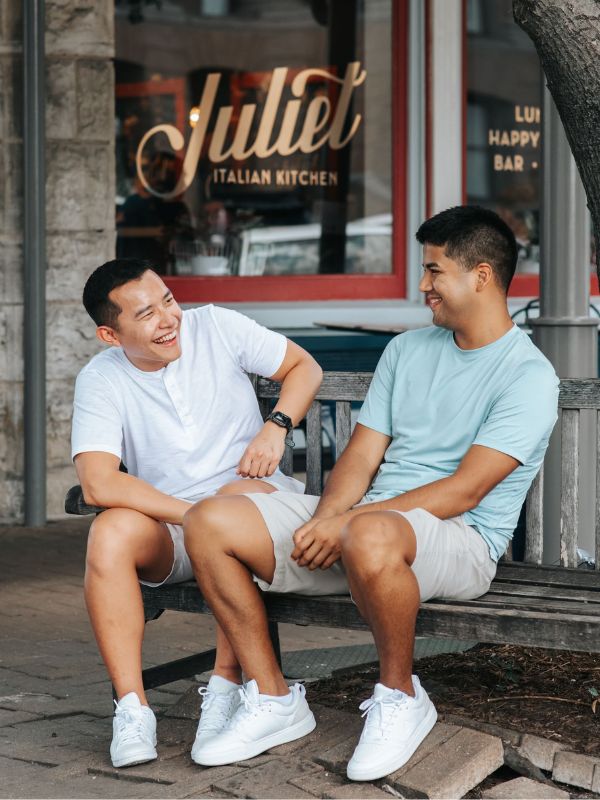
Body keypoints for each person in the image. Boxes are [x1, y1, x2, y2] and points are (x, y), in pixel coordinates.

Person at [182, 205, 559, 779]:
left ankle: (400, 697)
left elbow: (464, 491)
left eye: (434, 271)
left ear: (481, 276)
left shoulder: (527, 376)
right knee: (210, 520)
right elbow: (360, 456)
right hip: (366, 527)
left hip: (460, 541)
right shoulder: (407, 351)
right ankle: (274, 696)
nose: (423, 286)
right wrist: (329, 516)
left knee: (368, 531)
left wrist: (351, 522)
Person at [71, 258, 322, 768]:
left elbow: (304, 367)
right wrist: (192, 514)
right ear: (110, 334)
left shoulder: (216, 325)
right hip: (177, 524)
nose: (169, 318)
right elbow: (98, 482)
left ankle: (227, 685)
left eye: (167, 299)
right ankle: (133, 708)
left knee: (227, 508)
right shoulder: (100, 379)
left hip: (254, 506)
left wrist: (275, 426)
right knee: (110, 532)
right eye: (146, 314)